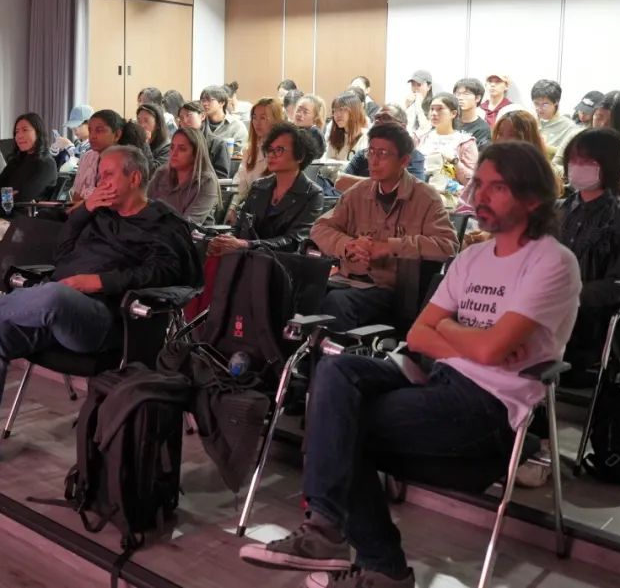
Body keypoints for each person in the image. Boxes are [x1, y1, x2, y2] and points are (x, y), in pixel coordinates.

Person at [242, 141, 580, 588]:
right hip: (438, 382)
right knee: (335, 371)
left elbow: (484, 351)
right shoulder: (473, 258)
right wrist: (476, 340)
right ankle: (332, 533)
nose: (480, 196)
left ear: (533, 198)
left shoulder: (552, 262)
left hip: (488, 410)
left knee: (340, 422)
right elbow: (421, 335)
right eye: (478, 184)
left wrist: (458, 333)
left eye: (497, 187)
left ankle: (370, 557)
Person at [0, 145, 201, 473]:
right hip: (55, 311)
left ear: (135, 178)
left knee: (52, 294)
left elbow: (165, 272)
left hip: (105, 320)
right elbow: (63, 251)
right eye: (99, 175)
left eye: (108, 175)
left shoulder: (162, 223)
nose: (100, 182)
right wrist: (85, 210)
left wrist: (98, 281)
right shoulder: (100, 214)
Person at [311, 122, 457, 331]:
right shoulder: (358, 192)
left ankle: (334, 351)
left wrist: (391, 247)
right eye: (371, 152)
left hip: (392, 291)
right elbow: (320, 228)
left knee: (338, 301)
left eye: (383, 154)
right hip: (349, 280)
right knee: (300, 290)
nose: (374, 160)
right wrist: (349, 245)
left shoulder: (425, 198)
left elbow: (447, 246)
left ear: (404, 161)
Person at [559, 128, 620, 384]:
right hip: (543, 314)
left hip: (590, 323)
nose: (578, 166)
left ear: (608, 166)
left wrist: (568, 297)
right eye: (574, 160)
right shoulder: (556, 211)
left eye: (587, 161)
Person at [208, 123, 323, 255]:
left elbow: (294, 241)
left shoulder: (312, 194)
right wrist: (224, 240)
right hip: (250, 258)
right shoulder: (259, 186)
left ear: (300, 156)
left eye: (279, 150)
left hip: (283, 262)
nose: (271, 155)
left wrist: (247, 244)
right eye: (269, 149)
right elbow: (239, 228)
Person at [338, 104, 426, 190]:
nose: (377, 122)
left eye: (385, 118)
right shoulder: (363, 155)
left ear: (402, 127)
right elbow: (341, 181)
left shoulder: (413, 156)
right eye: (376, 118)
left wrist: (358, 184)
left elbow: (412, 189)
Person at [227, 97, 284, 224]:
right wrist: (231, 207)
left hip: (272, 213)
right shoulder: (250, 150)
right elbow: (241, 181)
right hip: (249, 211)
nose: (257, 123)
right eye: (254, 117)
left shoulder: (283, 151)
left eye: (263, 118)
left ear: (276, 120)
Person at [148, 127, 220, 225]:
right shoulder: (161, 173)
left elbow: (189, 224)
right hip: (156, 230)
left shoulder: (206, 181)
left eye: (182, 149)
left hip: (190, 233)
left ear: (196, 154)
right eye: (172, 147)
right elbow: (144, 205)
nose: (174, 153)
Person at [0, 113, 58, 202]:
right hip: (7, 209)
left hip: (30, 211)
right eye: (17, 132)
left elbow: (24, 197)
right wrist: (9, 195)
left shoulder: (46, 164)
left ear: (38, 133)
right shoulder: (16, 161)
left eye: (25, 130)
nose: (19, 136)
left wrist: (2, 198)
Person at [417, 92, 478, 187]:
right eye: (432, 109)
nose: (434, 113)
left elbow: (474, 182)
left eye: (440, 109)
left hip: (449, 193)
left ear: (453, 113)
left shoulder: (465, 142)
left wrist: (455, 161)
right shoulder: (421, 138)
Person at [70, 110, 126, 202]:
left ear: (117, 135)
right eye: (90, 130)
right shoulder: (87, 157)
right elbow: (76, 195)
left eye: (99, 131)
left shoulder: (126, 161)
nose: (92, 136)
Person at [178, 100, 231, 178]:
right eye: (181, 118)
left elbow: (221, 177)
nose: (185, 121)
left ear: (202, 116)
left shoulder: (218, 144)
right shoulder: (178, 144)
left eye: (189, 115)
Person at [531, 80, 580, 165]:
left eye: (545, 104)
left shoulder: (569, 127)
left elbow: (570, 157)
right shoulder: (530, 121)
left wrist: (545, 148)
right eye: (536, 103)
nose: (539, 108)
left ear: (556, 102)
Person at [201, 84, 248, 154]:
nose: (204, 103)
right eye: (202, 100)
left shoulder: (237, 127)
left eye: (209, 100)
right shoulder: (199, 124)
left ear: (222, 103)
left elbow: (238, 155)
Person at [325, 90, 369, 161]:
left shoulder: (366, 137)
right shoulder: (335, 136)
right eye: (334, 110)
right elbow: (328, 161)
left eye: (342, 110)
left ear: (354, 111)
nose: (337, 115)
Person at [452, 78, 492, 150]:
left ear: (477, 98)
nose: (460, 98)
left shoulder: (483, 129)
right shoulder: (449, 121)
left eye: (466, 94)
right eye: (457, 94)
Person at [136, 102, 171, 168]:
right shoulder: (136, 142)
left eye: (146, 121)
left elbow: (154, 171)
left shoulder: (167, 147)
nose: (141, 125)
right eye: (139, 121)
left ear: (157, 124)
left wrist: (145, 143)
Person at [402, 69, 433, 137]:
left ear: (429, 87)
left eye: (419, 85)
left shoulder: (433, 105)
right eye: (413, 85)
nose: (415, 88)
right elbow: (399, 125)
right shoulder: (409, 101)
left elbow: (425, 128)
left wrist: (418, 105)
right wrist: (405, 106)